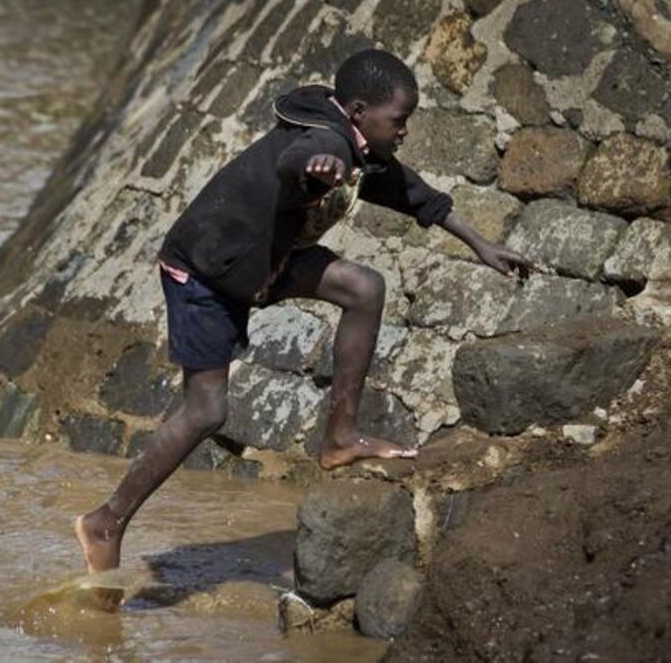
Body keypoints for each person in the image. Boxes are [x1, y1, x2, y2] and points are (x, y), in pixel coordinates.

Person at [76, 49, 529, 573]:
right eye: (399, 121)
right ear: (359, 111)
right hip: (204, 270)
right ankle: (106, 522)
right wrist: (321, 168)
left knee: (363, 288)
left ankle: (340, 437)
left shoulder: (358, 146)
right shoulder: (326, 141)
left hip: (263, 260)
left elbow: (413, 194)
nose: (404, 131)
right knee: (205, 410)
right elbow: (298, 161)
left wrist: (480, 245)